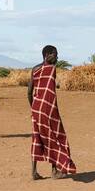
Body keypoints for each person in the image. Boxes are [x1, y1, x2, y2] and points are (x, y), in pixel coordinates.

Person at [27, 45, 76, 180]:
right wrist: (45, 107)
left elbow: (29, 92)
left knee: (37, 138)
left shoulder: (35, 69)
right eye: (55, 54)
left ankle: (33, 173)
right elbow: (50, 94)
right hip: (49, 110)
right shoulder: (51, 69)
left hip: (37, 108)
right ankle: (55, 171)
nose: (57, 57)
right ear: (47, 54)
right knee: (55, 137)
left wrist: (34, 108)